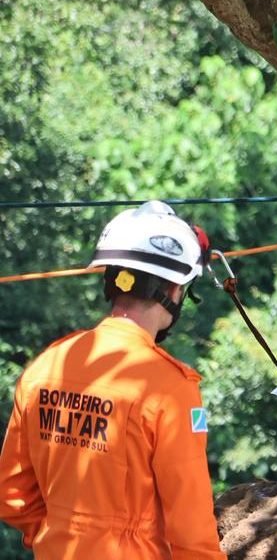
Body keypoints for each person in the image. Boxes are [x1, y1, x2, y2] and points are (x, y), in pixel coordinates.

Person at [0, 201, 228, 559]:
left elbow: (13, 495)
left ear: (113, 281)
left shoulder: (47, 366)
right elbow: (191, 526)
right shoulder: (169, 389)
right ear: (172, 291)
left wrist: (55, 538)